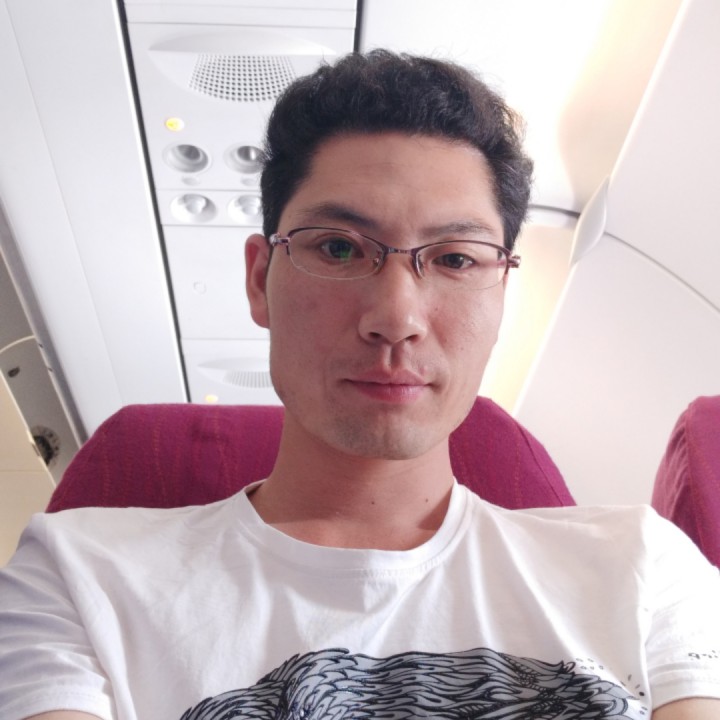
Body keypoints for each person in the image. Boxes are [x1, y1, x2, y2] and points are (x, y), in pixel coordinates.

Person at [1, 50, 719, 720]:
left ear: (502, 292)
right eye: (339, 248)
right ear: (260, 279)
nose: (396, 318)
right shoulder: (81, 578)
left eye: (456, 259)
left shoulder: (641, 567)